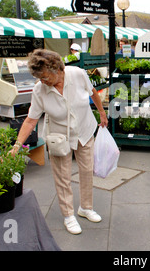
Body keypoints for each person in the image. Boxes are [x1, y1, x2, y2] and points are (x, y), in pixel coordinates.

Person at [10, 49, 108, 234]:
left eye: (45, 77)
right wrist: (17, 145)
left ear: (57, 69)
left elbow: (93, 92)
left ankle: (86, 207)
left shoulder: (77, 74)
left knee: (86, 170)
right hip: (59, 136)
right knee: (63, 176)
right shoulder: (40, 89)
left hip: (84, 130)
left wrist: (101, 112)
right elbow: (31, 119)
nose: (42, 81)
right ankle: (68, 215)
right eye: (39, 78)